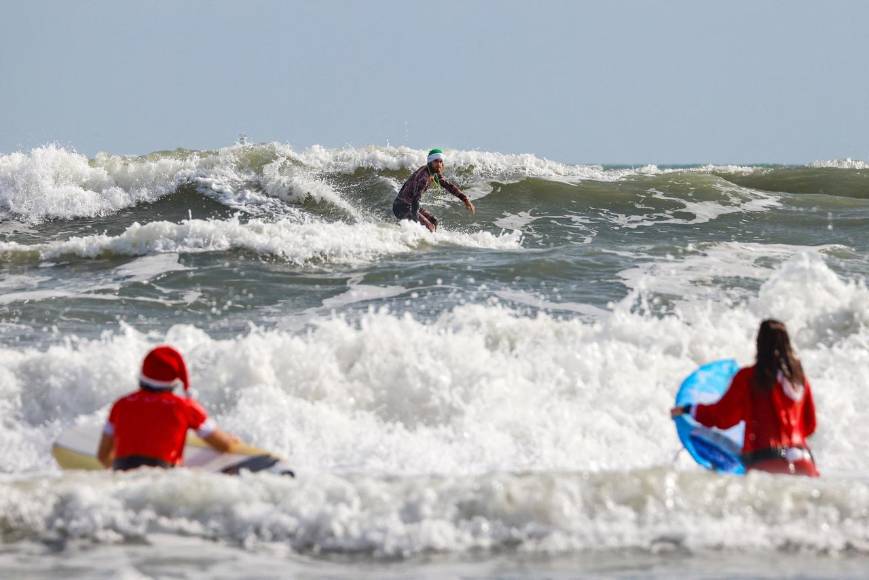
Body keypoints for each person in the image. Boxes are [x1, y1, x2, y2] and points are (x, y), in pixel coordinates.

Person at [671, 319, 819, 477]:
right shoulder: (799, 380)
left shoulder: (748, 377)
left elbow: (723, 417)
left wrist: (688, 409)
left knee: (698, 434)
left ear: (759, 344)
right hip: (805, 462)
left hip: (768, 462)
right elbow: (809, 426)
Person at [97, 345, 238, 471]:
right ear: (174, 381)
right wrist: (230, 439)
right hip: (164, 476)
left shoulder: (121, 404)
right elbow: (224, 446)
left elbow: (103, 456)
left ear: (142, 375)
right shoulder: (185, 406)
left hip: (124, 473)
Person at [392, 148, 475, 232]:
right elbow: (415, 201)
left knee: (434, 221)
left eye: (440, 161)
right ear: (430, 162)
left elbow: (448, 186)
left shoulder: (433, 172)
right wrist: (416, 222)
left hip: (409, 205)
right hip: (401, 207)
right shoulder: (424, 178)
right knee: (429, 227)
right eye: (436, 161)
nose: (439, 164)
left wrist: (465, 199)